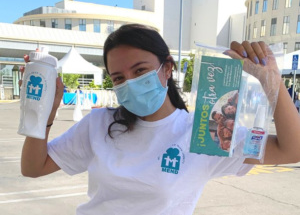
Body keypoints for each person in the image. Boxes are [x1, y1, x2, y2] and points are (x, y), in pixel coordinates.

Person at [21, 24, 300, 215]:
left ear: (167, 68)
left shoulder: (206, 132)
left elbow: (291, 149)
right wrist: (43, 113)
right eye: (118, 78)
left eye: (140, 70)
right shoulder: (98, 124)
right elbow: (33, 168)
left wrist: (271, 80)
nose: (129, 83)